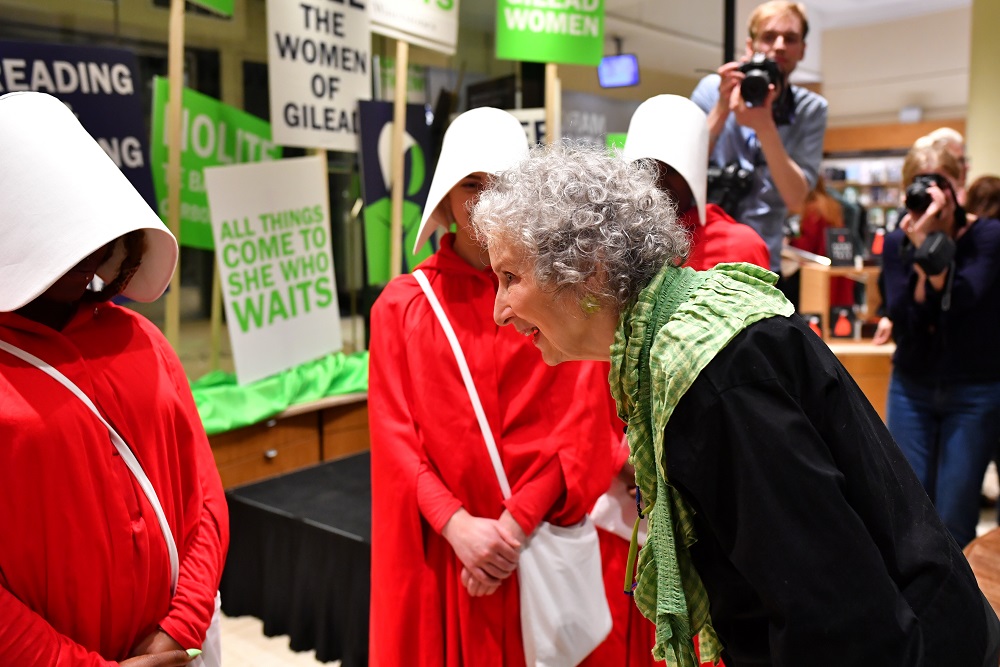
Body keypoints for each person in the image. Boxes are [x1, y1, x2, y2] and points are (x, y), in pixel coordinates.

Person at [473, 140, 1000, 667]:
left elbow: (833, 613)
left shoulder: (709, 375)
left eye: (511, 278)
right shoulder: (700, 324)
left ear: (586, 269)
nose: (499, 310)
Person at [367, 108, 617, 666]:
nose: (485, 204)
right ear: (447, 193)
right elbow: (393, 437)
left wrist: (511, 525)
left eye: (502, 185)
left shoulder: (562, 294)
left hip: (534, 538)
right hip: (445, 551)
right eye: (472, 185)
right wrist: (458, 527)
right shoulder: (401, 307)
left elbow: (582, 423)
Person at [0, 92, 228, 666]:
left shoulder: (141, 339)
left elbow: (204, 497)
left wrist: (181, 628)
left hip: (186, 648)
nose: (87, 255)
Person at [584, 93, 769, 667]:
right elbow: (598, 358)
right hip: (629, 474)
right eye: (647, 171)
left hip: (717, 464)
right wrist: (617, 451)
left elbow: (753, 373)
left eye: (671, 171)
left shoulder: (737, 247)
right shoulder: (610, 248)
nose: (659, 185)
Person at [881, 142, 1000, 547]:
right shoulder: (898, 241)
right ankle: (918, 608)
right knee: (909, 510)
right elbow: (902, 315)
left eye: (940, 184)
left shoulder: (988, 235)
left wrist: (933, 258)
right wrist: (919, 249)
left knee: (954, 517)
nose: (930, 195)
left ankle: (962, 609)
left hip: (974, 388)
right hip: (912, 388)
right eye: (920, 186)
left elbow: (966, 299)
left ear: (958, 186)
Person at [691, 0, 827, 277]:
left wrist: (765, 127)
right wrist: (721, 108)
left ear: (802, 50)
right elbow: (683, 168)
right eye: (768, 36)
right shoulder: (713, 89)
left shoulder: (810, 109)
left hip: (761, 264)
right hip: (700, 254)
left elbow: (796, 200)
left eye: (790, 39)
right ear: (750, 46)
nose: (779, 46)